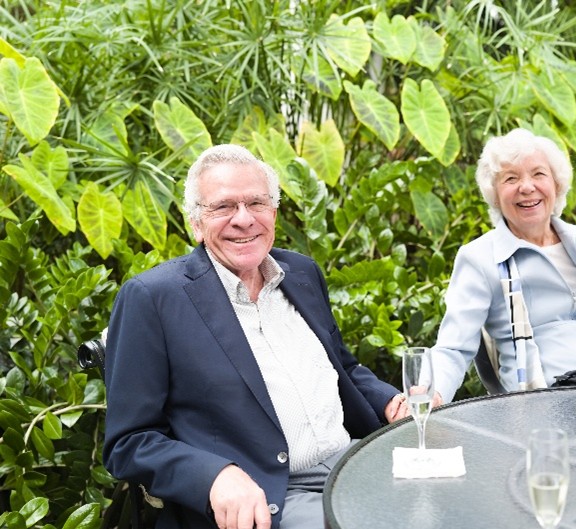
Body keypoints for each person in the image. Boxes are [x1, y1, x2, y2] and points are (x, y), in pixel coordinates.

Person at [103, 144, 409, 529]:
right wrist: (214, 476)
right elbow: (129, 442)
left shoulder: (301, 273)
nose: (243, 220)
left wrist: (391, 401)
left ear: (274, 214)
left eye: (256, 204)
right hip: (270, 493)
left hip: (354, 461)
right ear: (195, 223)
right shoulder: (153, 298)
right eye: (223, 207)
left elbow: (341, 367)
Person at [431, 128, 576, 404]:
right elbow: (453, 347)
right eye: (511, 178)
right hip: (547, 403)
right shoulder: (480, 258)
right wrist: (430, 394)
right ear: (494, 194)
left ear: (556, 184)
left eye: (538, 174)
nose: (527, 187)